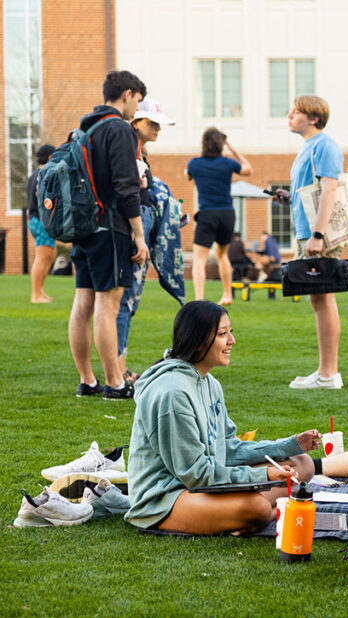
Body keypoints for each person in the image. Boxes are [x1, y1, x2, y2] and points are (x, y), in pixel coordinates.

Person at [125, 301, 318, 534]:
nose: (232, 341)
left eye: (230, 332)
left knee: (302, 464)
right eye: (222, 334)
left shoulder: (210, 383)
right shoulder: (173, 394)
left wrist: (290, 445)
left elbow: (227, 448)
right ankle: (249, 514)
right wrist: (263, 474)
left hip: (202, 484)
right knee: (256, 508)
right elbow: (195, 473)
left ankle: (234, 516)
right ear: (197, 342)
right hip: (165, 497)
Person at [68, 70, 151, 400]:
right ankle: (115, 383)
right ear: (128, 95)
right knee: (108, 304)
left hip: (83, 227)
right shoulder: (119, 129)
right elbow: (126, 187)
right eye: (138, 102)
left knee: (83, 302)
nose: (137, 111)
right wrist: (139, 235)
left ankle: (87, 380)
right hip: (110, 227)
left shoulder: (85, 129)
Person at [278, 94, 348, 390]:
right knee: (319, 300)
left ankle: (329, 374)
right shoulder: (309, 147)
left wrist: (317, 235)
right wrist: (289, 198)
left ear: (314, 118)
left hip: (319, 235)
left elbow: (330, 190)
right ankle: (325, 372)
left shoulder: (325, 146)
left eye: (296, 112)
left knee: (324, 299)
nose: (290, 115)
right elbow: (312, 191)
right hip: (308, 231)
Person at [117, 97, 175, 385]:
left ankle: (120, 367)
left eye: (159, 124)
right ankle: (116, 369)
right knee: (123, 303)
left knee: (129, 303)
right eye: (152, 123)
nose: (157, 129)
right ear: (135, 121)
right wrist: (139, 236)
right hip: (131, 230)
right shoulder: (127, 148)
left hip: (140, 226)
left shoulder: (138, 152)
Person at [186, 127, 252, 305]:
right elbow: (248, 169)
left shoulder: (194, 164)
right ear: (222, 145)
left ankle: (199, 298)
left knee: (199, 258)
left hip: (207, 214)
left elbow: (187, 176)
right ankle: (227, 294)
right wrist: (235, 151)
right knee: (222, 255)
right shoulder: (227, 163)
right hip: (227, 214)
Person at [27, 144, 57, 303]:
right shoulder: (44, 174)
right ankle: (36, 294)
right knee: (43, 256)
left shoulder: (35, 174)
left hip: (37, 219)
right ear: (51, 157)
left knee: (50, 254)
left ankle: (40, 291)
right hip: (40, 220)